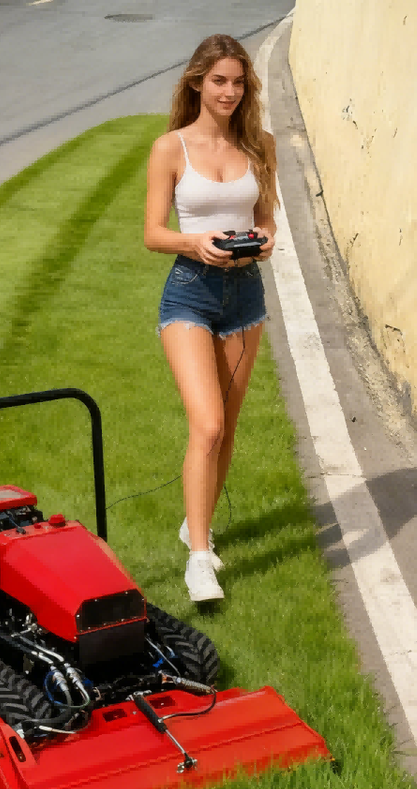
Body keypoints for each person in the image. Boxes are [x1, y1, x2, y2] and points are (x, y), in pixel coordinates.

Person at [144, 34, 278, 603]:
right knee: (208, 425)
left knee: (227, 428)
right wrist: (195, 242)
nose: (229, 92)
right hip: (190, 295)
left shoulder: (260, 146)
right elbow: (153, 233)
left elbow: (266, 219)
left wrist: (263, 240)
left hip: (245, 298)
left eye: (238, 82)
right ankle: (200, 560)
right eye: (219, 80)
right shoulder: (169, 147)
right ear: (197, 81)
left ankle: (194, 521)